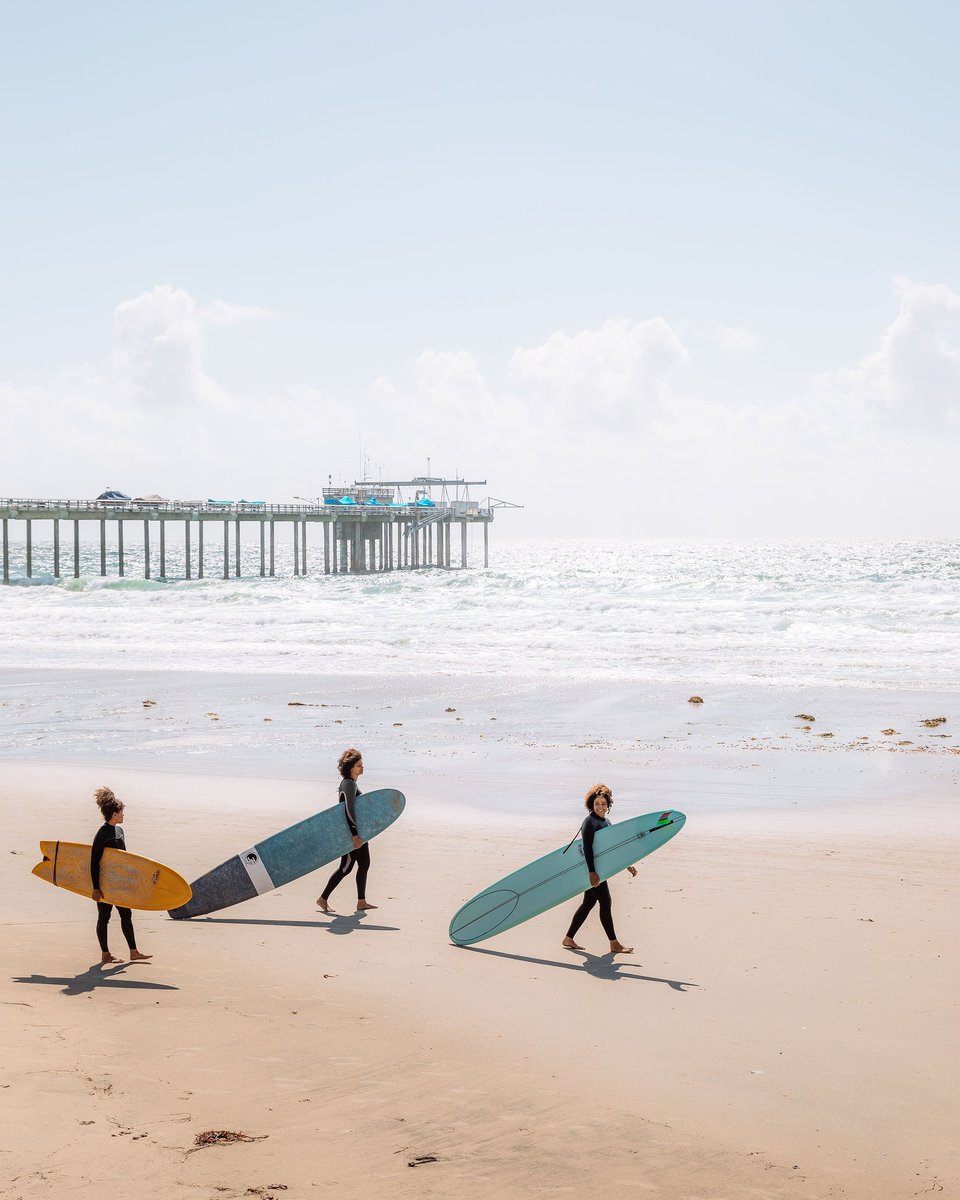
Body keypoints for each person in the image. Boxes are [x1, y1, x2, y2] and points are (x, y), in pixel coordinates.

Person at [562, 783, 636, 954]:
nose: (600, 807)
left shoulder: (606, 821)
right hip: (592, 869)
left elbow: (611, 849)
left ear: (608, 805)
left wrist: (627, 865)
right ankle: (614, 943)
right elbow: (588, 848)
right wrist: (592, 872)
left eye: (603, 804)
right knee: (605, 902)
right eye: (597, 804)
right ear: (591, 805)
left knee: (589, 903)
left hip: (600, 869)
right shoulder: (589, 822)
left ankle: (568, 938)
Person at [91, 787, 152, 965]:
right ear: (115, 814)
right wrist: (96, 887)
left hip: (119, 883)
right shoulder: (101, 834)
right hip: (105, 884)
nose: (124, 815)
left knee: (126, 914)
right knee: (104, 917)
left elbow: (123, 860)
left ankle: (134, 952)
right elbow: (94, 862)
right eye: (122, 812)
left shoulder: (120, 832)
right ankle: (105, 954)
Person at [316, 748, 378, 913]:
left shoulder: (352, 783)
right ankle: (323, 898)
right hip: (352, 834)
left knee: (364, 864)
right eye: (359, 765)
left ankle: (361, 901)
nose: (362, 766)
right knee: (346, 867)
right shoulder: (349, 784)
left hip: (360, 833)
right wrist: (354, 834)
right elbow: (348, 810)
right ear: (351, 767)